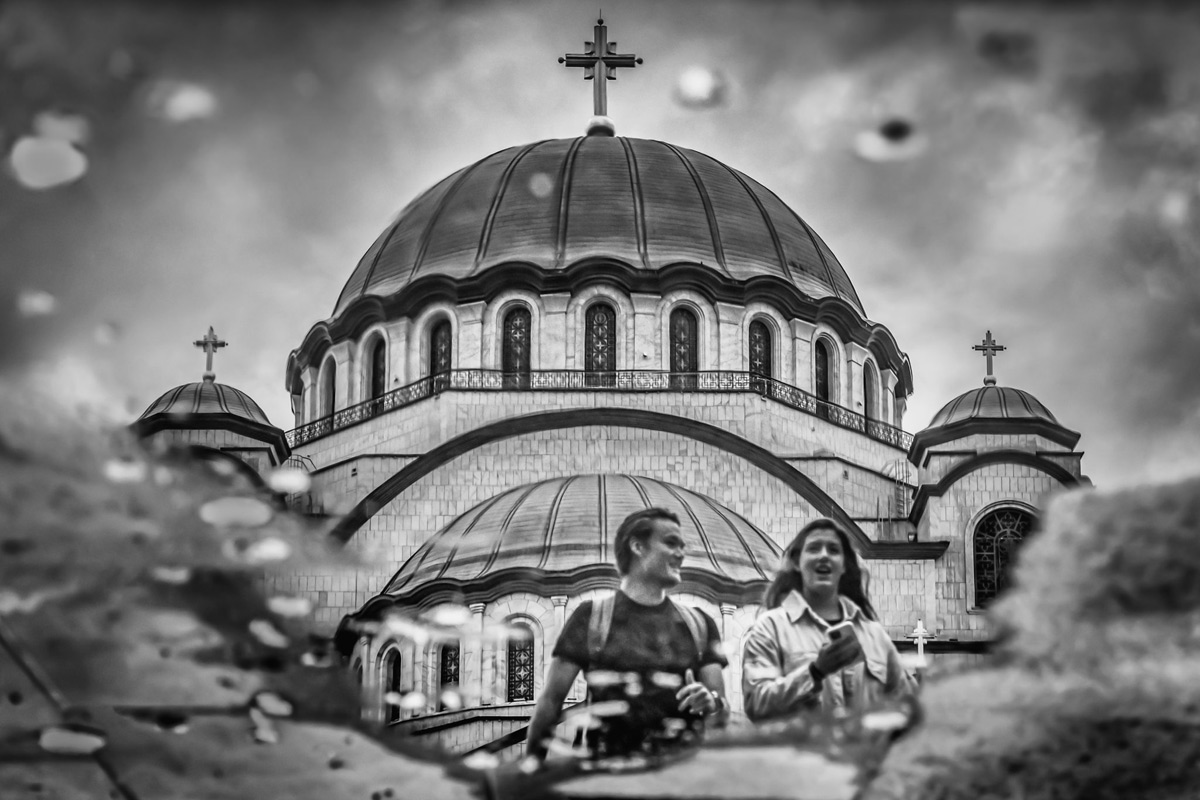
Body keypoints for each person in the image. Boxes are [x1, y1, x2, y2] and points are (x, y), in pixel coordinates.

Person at [524, 508, 729, 763]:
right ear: (637, 546)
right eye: (670, 543)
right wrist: (529, 773)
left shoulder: (699, 624)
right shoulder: (592, 618)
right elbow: (550, 703)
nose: (681, 554)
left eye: (682, 546)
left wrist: (712, 703)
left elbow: (721, 709)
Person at [741, 518, 913, 722]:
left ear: (844, 565)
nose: (824, 555)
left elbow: (910, 704)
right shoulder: (770, 628)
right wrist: (815, 672)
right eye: (814, 548)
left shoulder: (874, 635)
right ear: (797, 562)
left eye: (833, 550)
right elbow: (756, 704)